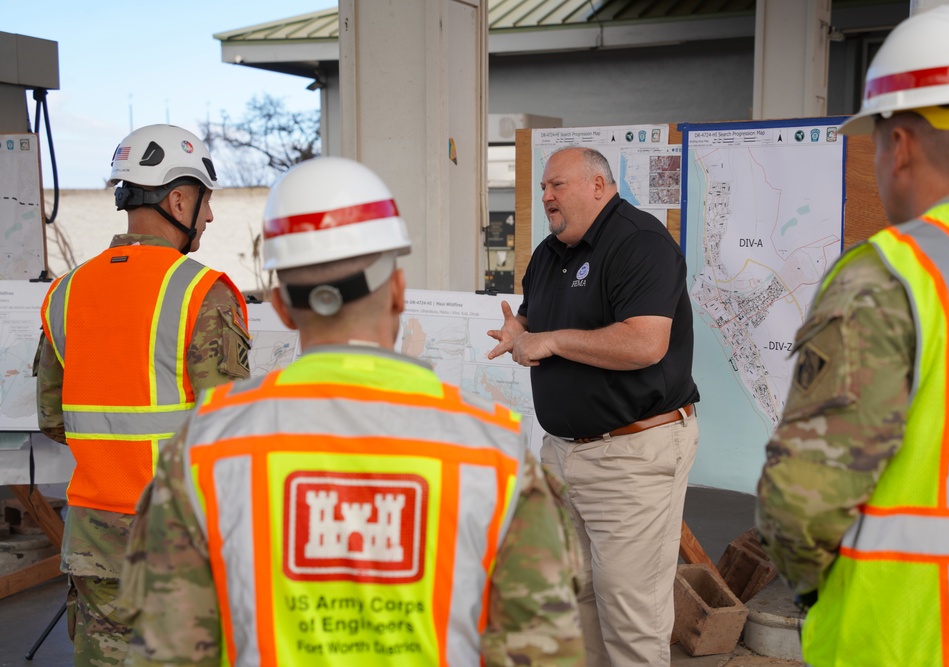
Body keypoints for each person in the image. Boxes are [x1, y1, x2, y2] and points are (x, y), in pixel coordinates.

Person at [119, 156, 585, 666]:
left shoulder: (205, 448)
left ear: (280, 305)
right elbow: (540, 652)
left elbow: (171, 650)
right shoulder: (495, 452)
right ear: (399, 292)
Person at [756, 5, 949, 665]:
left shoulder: (894, 275)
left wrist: (808, 588)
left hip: (913, 638)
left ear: (902, 145)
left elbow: (803, 506)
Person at [34, 123, 251, 666]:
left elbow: (51, 418)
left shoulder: (65, 293)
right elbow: (228, 433)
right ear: (178, 197)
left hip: (91, 546)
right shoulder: (202, 293)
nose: (208, 216)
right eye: (204, 201)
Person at [487, 145, 700, 666]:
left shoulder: (641, 244)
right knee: (574, 602)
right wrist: (521, 330)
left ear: (599, 186)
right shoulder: (548, 253)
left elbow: (645, 342)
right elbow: (537, 325)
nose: (546, 197)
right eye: (543, 188)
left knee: (630, 612)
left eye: (557, 185)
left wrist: (552, 341)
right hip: (562, 455)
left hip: (632, 452)